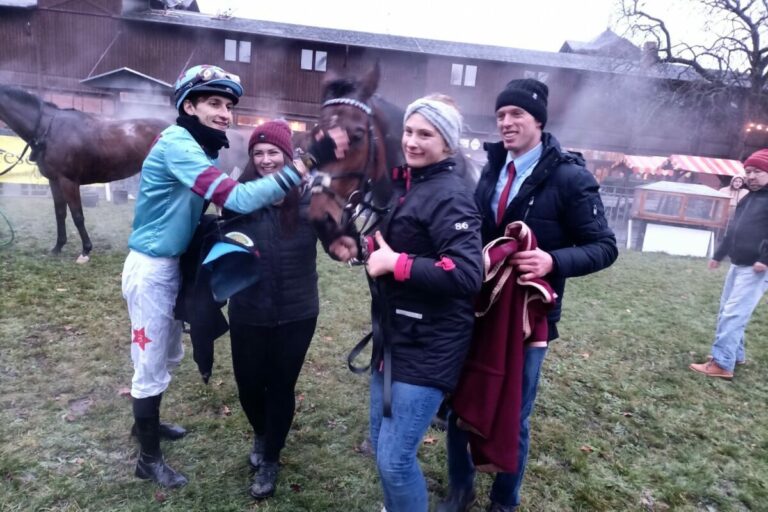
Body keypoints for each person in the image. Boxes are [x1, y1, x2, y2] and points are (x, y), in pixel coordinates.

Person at [122, 64, 345, 488]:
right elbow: (237, 197)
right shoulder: (179, 144)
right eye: (213, 103)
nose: (224, 113)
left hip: (174, 265)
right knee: (150, 363)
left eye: (228, 105)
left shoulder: (197, 146)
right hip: (152, 267)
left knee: (166, 356)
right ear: (188, 106)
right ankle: (147, 457)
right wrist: (304, 165)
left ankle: (146, 425)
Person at [438, 78, 618, 512]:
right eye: (501, 115)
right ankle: (460, 490)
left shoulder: (570, 177)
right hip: (475, 307)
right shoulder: (492, 167)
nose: (506, 122)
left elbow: (604, 247)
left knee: (513, 411)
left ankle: (504, 501)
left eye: (516, 114)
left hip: (528, 320)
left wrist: (552, 261)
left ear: (538, 119)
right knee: (462, 401)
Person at [355, 95, 483, 512]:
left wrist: (396, 262)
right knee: (380, 447)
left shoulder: (450, 195)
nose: (412, 141)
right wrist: (372, 247)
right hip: (395, 336)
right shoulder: (411, 185)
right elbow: (410, 243)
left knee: (394, 461)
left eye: (425, 134)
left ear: (447, 143)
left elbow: (465, 274)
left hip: (430, 344)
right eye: (409, 131)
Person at [222, 120, 320, 499]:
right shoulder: (239, 196)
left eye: (272, 153)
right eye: (258, 153)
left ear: (288, 155)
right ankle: (263, 432)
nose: (265, 160)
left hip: (298, 312)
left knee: (281, 385)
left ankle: (271, 456)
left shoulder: (310, 200)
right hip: (248, 308)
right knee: (248, 386)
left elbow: (337, 242)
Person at [689, 149, 768, 380]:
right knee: (728, 310)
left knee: (733, 314)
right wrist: (719, 254)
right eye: (748, 171)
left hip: (756, 267)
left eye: (757, 171)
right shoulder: (749, 197)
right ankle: (735, 354)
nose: (751, 176)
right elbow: (734, 229)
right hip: (739, 263)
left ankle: (722, 364)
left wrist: (765, 259)